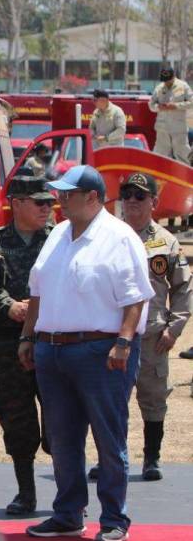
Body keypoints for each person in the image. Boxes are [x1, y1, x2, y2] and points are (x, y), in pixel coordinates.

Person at [20, 164, 154, 541]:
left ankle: (114, 517)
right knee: (62, 438)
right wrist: (28, 336)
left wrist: (124, 343)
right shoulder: (59, 233)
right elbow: (38, 290)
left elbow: (136, 297)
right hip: (53, 347)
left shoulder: (119, 237)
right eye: (59, 193)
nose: (59, 200)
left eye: (68, 193)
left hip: (101, 349)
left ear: (93, 198)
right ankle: (67, 513)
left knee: (109, 439)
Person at [87, 173, 190, 482]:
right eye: (127, 194)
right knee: (110, 400)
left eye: (140, 195)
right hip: (109, 334)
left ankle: (151, 459)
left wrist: (175, 328)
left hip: (152, 336)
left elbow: (183, 288)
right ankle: (110, 459)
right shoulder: (106, 237)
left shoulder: (166, 242)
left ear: (154, 203)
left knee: (153, 397)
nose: (131, 200)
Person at [0, 168, 55, 515]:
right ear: (17, 204)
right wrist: (8, 304)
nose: (46, 208)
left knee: (60, 423)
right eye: (38, 202)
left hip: (52, 341)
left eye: (49, 202)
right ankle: (26, 493)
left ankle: (68, 496)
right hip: (8, 345)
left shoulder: (59, 240)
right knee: (18, 420)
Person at [148, 68, 193, 160]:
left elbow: (191, 102)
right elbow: (151, 105)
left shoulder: (183, 86)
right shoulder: (159, 88)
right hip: (162, 129)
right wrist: (158, 107)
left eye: (168, 80)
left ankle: (186, 173)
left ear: (173, 77)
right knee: (160, 155)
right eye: (164, 80)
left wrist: (176, 106)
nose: (166, 82)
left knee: (182, 154)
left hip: (178, 128)